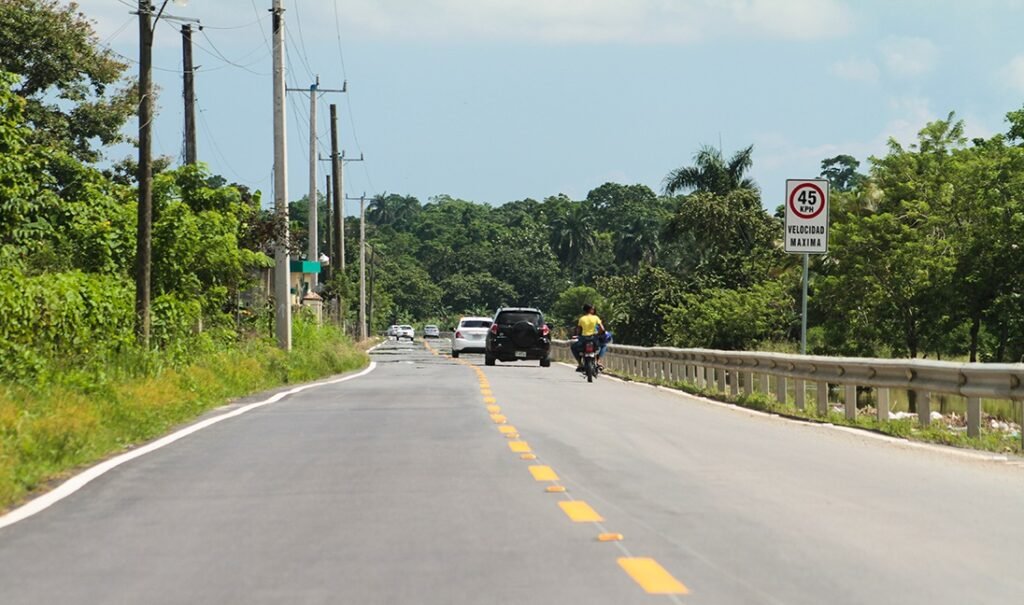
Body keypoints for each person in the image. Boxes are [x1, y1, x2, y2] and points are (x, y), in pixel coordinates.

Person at [571, 303, 604, 371]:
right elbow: (602, 329)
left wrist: (578, 336)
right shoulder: (595, 317)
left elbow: (579, 330)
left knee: (573, 347)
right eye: (592, 309)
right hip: (594, 338)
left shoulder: (581, 319)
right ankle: (598, 361)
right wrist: (598, 334)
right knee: (603, 346)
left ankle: (580, 363)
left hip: (584, 339)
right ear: (590, 310)